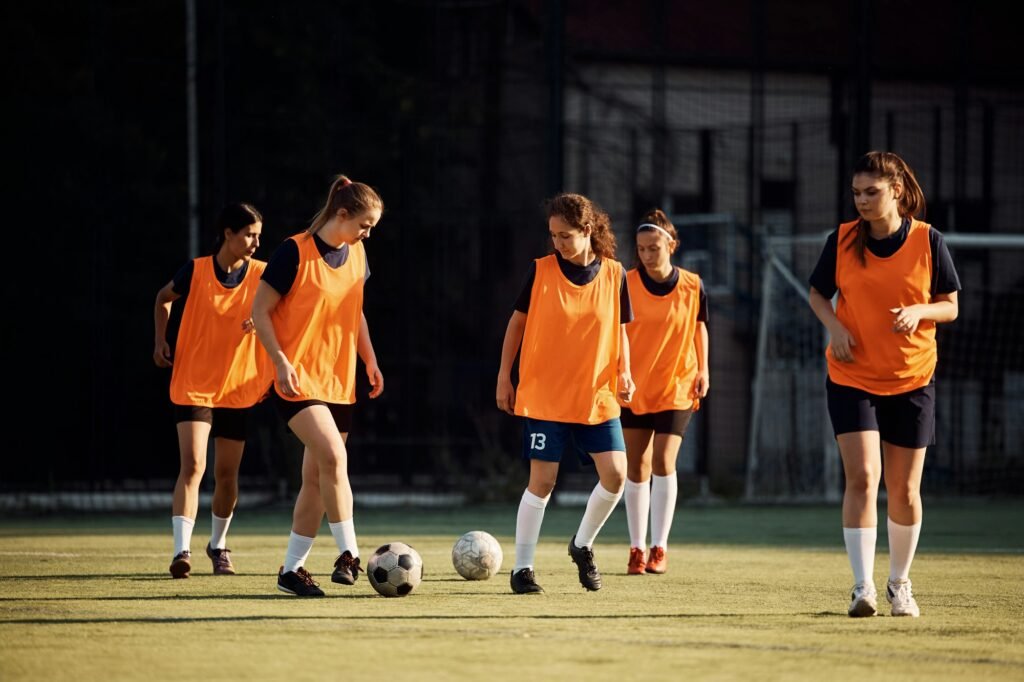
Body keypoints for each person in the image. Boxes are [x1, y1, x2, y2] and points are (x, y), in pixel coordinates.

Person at [808, 151, 961, 618]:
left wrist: (920, 312)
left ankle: (899, 584)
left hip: (912, 378)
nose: (862, 201)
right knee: (864, 477)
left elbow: (950, 305)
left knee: (905, 489)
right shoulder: (842, 239)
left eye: (871, 192)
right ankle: (862, 588)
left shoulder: (927, 240)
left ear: (896, 190)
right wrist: (834, 326)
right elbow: (817, 293)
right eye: (856, 193)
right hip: (852, 376)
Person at [496, 192, 635, 595]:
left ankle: (582, 545)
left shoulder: (614, 274)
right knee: (543, 481)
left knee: (616, 476)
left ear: (588, 231)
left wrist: (626, 371)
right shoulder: (540, 271)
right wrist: (505, 376)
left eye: (566, 236)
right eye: (553, 236)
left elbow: (621, 330)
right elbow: (516, 325)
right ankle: (523, 569)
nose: (557, 243)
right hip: (545, 395)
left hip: (596, 393)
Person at [252, 175, 384, 597]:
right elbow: (260, 311)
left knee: (316, 478)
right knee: (332, 455)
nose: (368, 233)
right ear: (341, 214)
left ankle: (291, 571)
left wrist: (369, 359)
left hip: (338, 380)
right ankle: (350, 554)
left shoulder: (358, 254)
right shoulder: (294, 251)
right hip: (296, 378)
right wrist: (280, 361)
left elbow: (355, 312)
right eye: (364, 224)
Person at [153, 202, 271, 578]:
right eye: (249, 234)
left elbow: (284, 314)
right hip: (194, 384)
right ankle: (180, 552)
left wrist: (264, 321)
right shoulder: (196, 270)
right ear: (228, 234)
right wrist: (160, 340)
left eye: (258, 236)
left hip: (237, 387)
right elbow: (162, 298)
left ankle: (218, 546)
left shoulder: (263, 276)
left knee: (226, 473)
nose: (255, 242)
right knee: (193, 466)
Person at [619, 209, 709, 576]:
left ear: (671, 245)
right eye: (641, 248)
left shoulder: (692, 284)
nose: (646, 254)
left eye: (654, 247)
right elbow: (618, 331)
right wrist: (622, 372)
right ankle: (636, 548)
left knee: (663, 461)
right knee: (636, 466)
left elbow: (700, 326)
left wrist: (704, 368)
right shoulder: (625, 283)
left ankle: (660, 547)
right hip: (634, 385)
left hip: (677, 382)